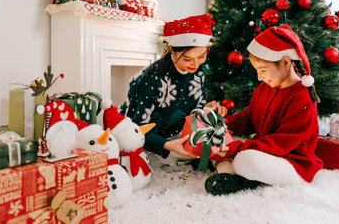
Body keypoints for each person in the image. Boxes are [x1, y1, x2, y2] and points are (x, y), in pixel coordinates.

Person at [205, 24, 324, 196]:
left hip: (292, 163)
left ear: (285, 62)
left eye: (262, 70)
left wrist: (239, 147)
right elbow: (248, 119)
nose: (259, 77)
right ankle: (230, 174)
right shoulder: (265, 88)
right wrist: (221, 123)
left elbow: (282, 142)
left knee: (244, 159)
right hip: (265, 151)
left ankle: (228, 169)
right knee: (218, 138)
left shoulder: (302, 98)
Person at [119, 14, 224, 164]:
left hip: (175, 133)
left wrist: (207, 108)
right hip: (144, 138)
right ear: (172, 50)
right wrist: (166, 146)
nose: (195, 64)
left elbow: (195, 107)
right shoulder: (151, 79)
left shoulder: (198, 70)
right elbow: (135, 128)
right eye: (187, 59)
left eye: (201, 56)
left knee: (215, 145)